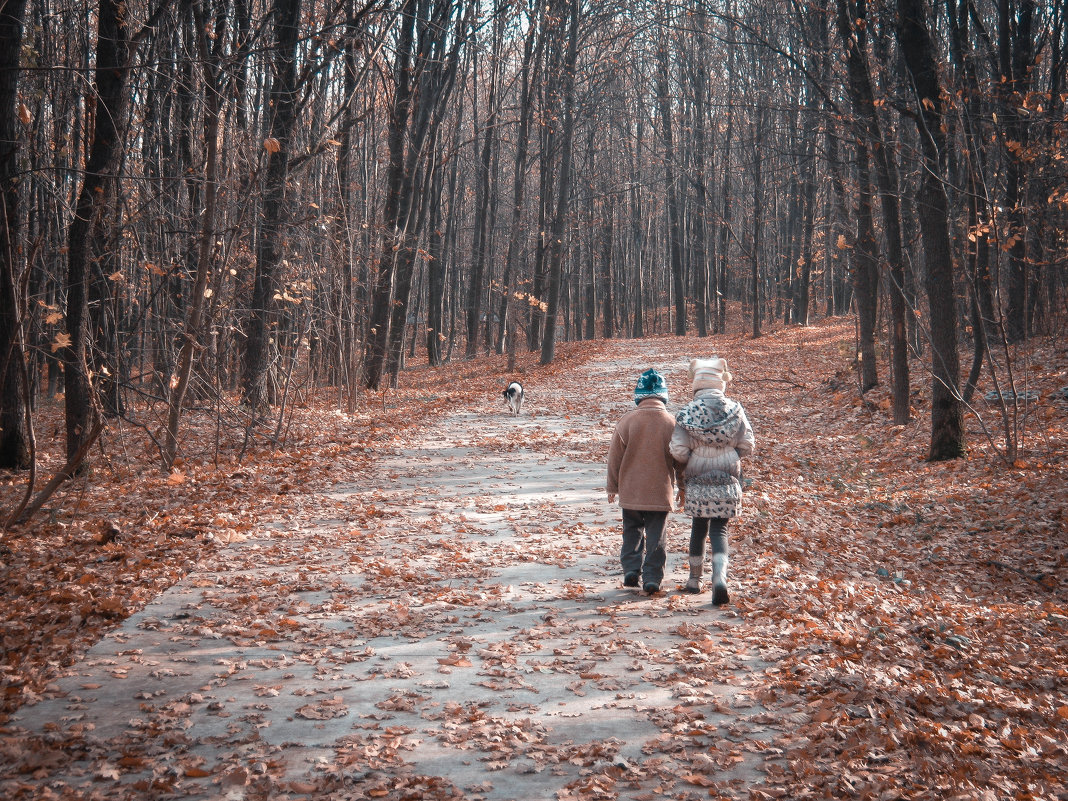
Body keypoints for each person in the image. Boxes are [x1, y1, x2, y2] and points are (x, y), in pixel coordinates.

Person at [670, 357, 755, 606]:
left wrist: (695, 457)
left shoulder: (687, 413)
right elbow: (748, 444)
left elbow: (678, 451)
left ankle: (694, 579)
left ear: (696, 385)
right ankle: (719, 577)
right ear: (721, 385)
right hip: (728, 478)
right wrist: (730, 455)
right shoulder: (735, 410)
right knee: (720, 529)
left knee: (699, 527)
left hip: (698, 479)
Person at [606, 368, 682, 595]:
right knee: (657, 536)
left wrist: (612, 486)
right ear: (663, 396)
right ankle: (652, 578)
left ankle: (631, 570)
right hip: (660, 491)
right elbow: (681, 459)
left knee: (632, 531)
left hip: (631, 492)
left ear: (638, 395)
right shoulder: (671, 423)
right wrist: (684, 487)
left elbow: (614, 457)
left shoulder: (627, 421)